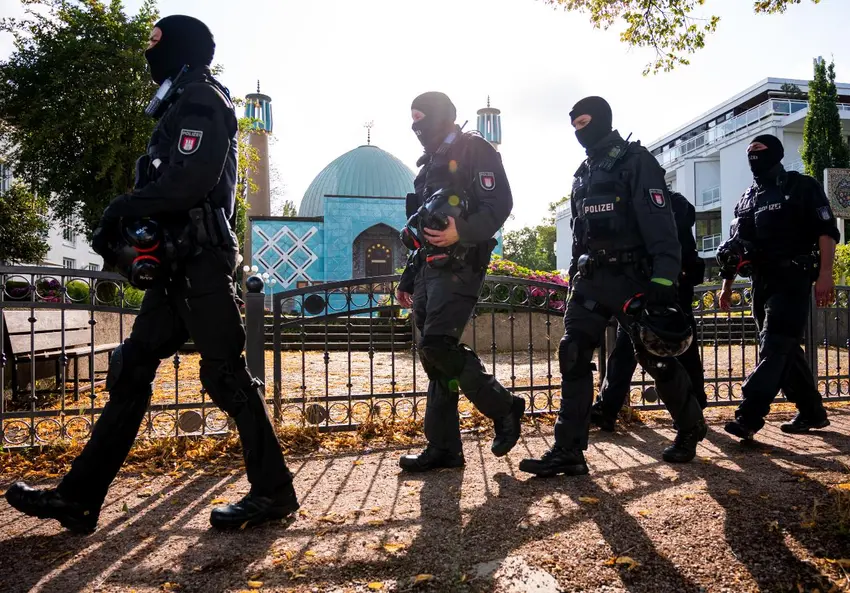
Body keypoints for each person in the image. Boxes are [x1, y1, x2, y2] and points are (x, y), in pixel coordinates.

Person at [4, 16, 297, 533]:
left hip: (201, 260)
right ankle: (78, 499)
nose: (148, 53)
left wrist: (122, 207)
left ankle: (274, 493)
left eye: (155, 44)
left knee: (225, 375)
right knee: (132, 367)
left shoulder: (202, 98)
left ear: (179, 49)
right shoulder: (180, 99)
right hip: (177, 263)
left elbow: (191, 181)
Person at [519, 96, 707, 478]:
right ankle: (569, 450)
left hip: (632, 279)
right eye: (574, 126)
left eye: (584, 122)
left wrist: (663, 279)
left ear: (603, 119)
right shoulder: (583, 173)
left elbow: (662, 225)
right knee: (573, 354)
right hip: (591, 279)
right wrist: (574, 277)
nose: (579, 132)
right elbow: (579, 233)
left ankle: (690, 426)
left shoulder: (636, 161)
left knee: (654, 356)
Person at [395, 91, 524, 472]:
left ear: (441, 115)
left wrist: (461, 232)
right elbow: (424, 228)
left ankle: (504, 406)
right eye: (412, 119)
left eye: (421, 118)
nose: (416, 126)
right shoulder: (429, 163)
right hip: (428, 269)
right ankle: (445, 448)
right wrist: (409, 276)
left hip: (461, 264)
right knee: (434, 358)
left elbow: (499, 204)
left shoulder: (474, 148)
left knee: (438, 346)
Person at [721, 134, 838, 441]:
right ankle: (812, 412)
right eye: (749, 151)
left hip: (793, 277)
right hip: (761, 282)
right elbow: (735, 246)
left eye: (759, 149)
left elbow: (826, 231)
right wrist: (726, 285)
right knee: (785, 349)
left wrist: (826, 274)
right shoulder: (748, 197)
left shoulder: (801, 186)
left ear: (775, 152)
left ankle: (749, 416)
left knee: (774, 346)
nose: (753, 154)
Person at [590, 191, 707, 432]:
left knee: (682, 349)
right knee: (624, 350)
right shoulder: (635, 201)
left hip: (671, 289)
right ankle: (607, 409)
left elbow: (677, 240)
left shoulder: (674, 202)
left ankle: (694, 408)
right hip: (642, 286)